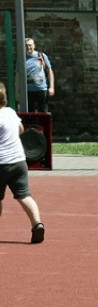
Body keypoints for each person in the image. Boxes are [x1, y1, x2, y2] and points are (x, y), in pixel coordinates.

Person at [0, 83, 44, 244]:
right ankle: (37, 224)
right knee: (24, 195)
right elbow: (20, 129)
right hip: (19, 161)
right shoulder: (10, 112)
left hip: (1, 163)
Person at [24, 38, 54, 113]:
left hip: (41, 89)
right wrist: (18, 92)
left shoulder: (41, 56)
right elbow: (18, 75)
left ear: (34, 46)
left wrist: (51, 87)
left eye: (30, 45)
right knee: (29, 113)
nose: (28, 47)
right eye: (26, 45)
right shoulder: (22, 58)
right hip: (27, 91)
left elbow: (49, 71)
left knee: (43, 112)